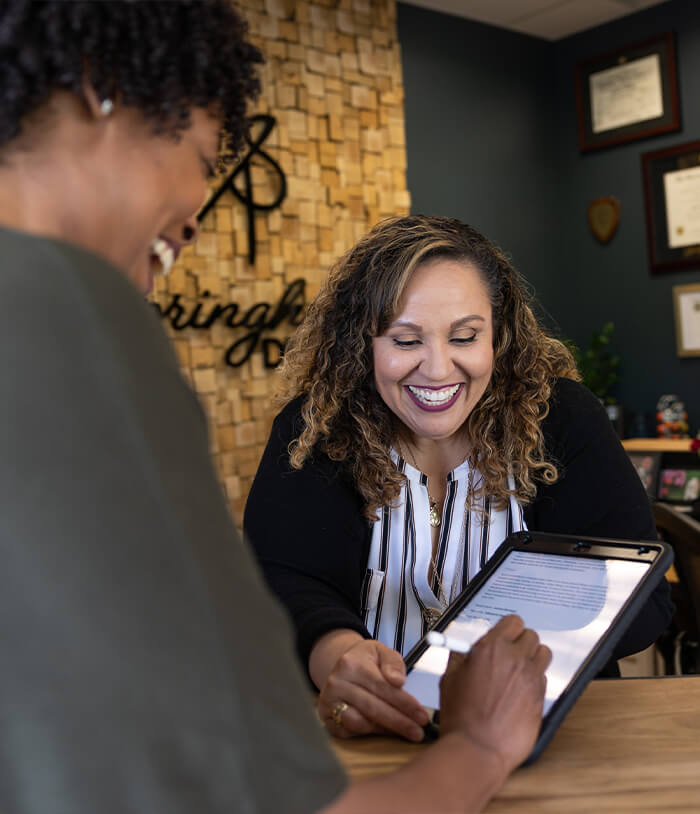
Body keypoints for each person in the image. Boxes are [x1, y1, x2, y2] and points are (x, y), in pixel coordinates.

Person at [0, 2, 551, 813]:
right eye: (203, 153)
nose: (195, 214)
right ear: (103, 88)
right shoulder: (71, 320)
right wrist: (480, 745)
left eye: (466, 335)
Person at [245, 214, 674, 742]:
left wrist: (512, 652)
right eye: (405, 341)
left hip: (539, 729)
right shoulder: (314, 429)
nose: (439, 368)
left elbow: (646, 603)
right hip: (370, 734)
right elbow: (278, 584)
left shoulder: (565, 422)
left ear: (500, 336)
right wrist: (340, 654)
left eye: (465, 336)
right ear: (363, 343)